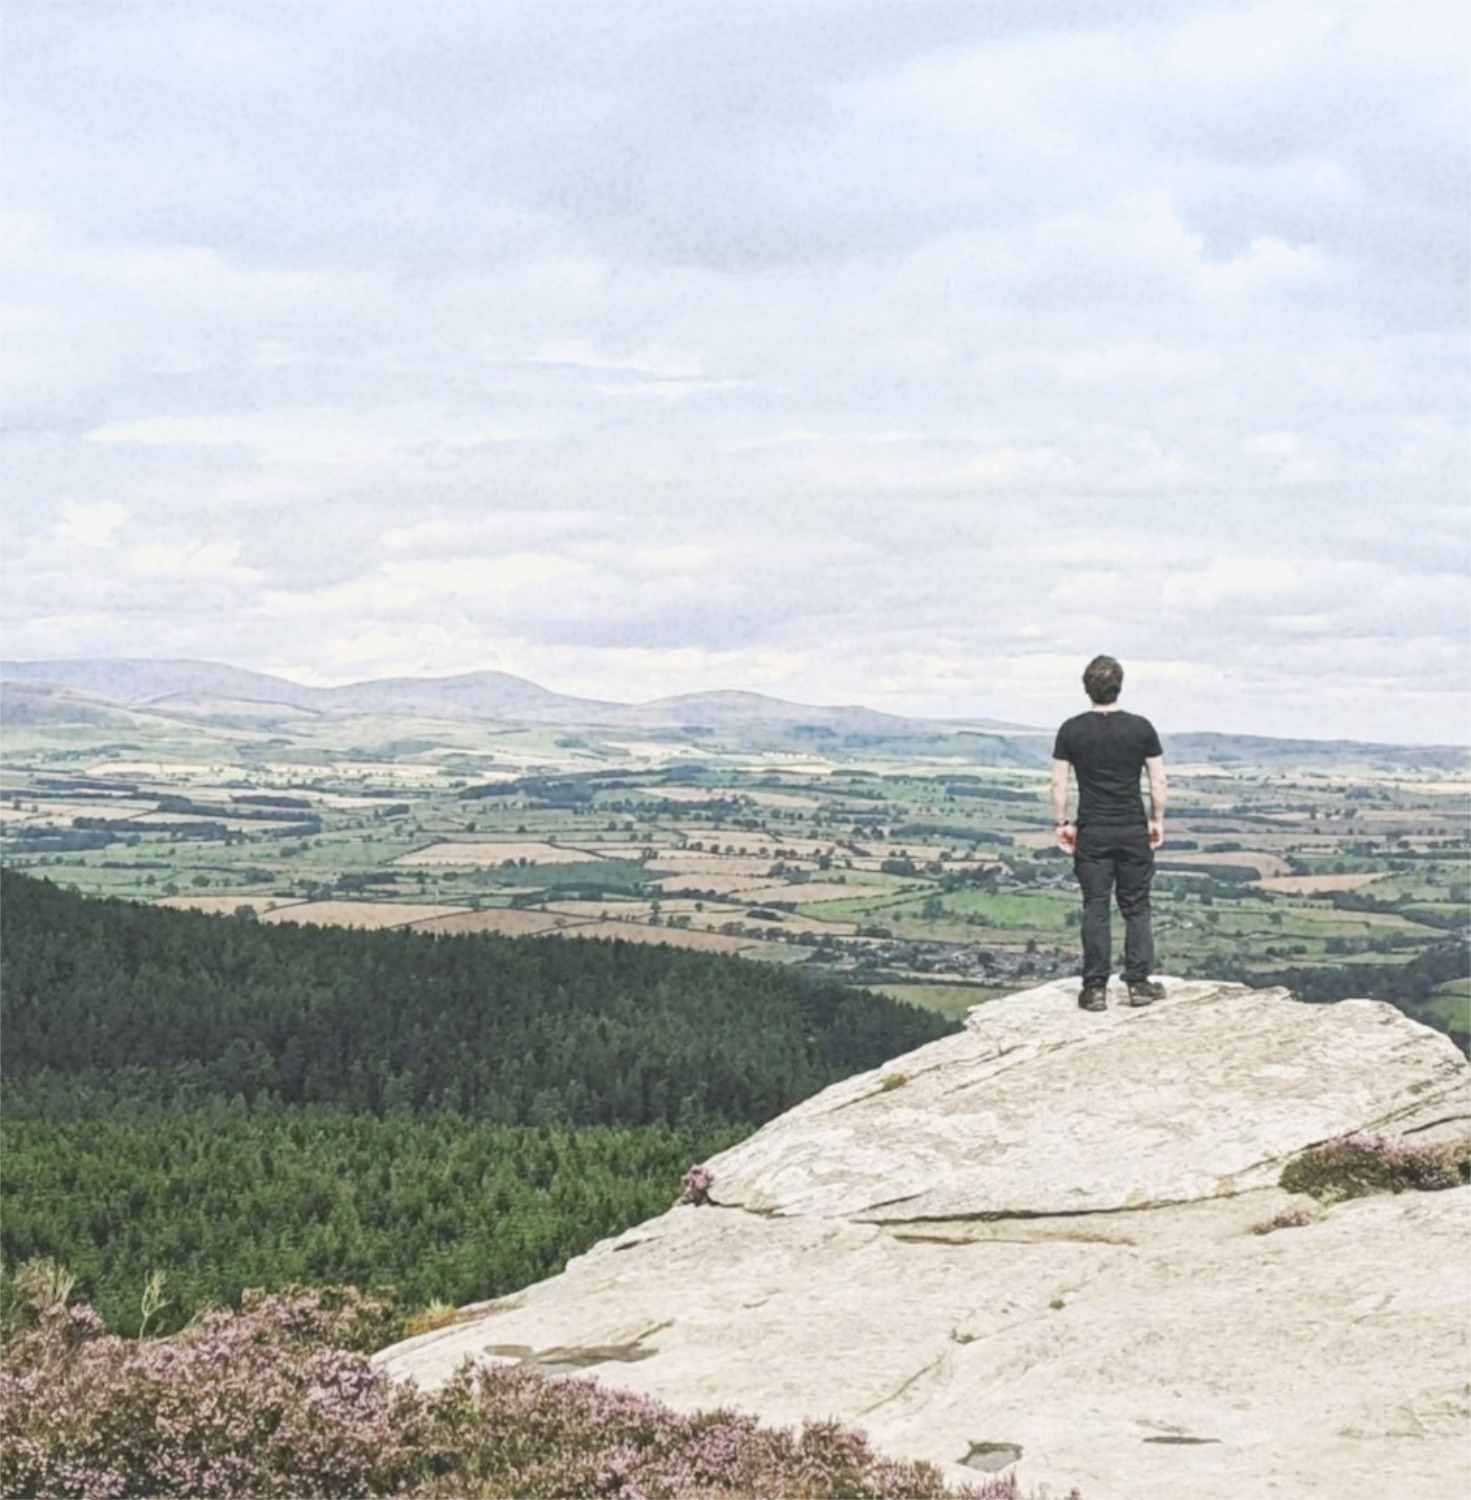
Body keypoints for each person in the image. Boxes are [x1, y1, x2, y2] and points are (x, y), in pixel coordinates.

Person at [1050, 655, 1168, 1012]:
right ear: (1119, 685)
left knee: (1096, 906)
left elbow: (1059, 782)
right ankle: (1138, 984)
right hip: (1132, 828)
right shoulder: (1141, 728)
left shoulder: (1071, 730)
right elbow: (1158, 781)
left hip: (1093, 831)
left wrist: (1062, 823)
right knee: (1136, 907)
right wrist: (1157, 819)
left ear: (1087, 687)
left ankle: (1095, 989)